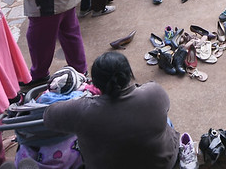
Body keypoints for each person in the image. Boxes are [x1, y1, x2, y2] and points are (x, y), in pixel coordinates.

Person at [43, 52, 180, 169]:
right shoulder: (154, 92)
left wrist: (79, 99)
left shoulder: (82, 110)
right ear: (128, 74)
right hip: (162, 164)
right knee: (165, 121)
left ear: (95, 83)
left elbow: (48, 117)